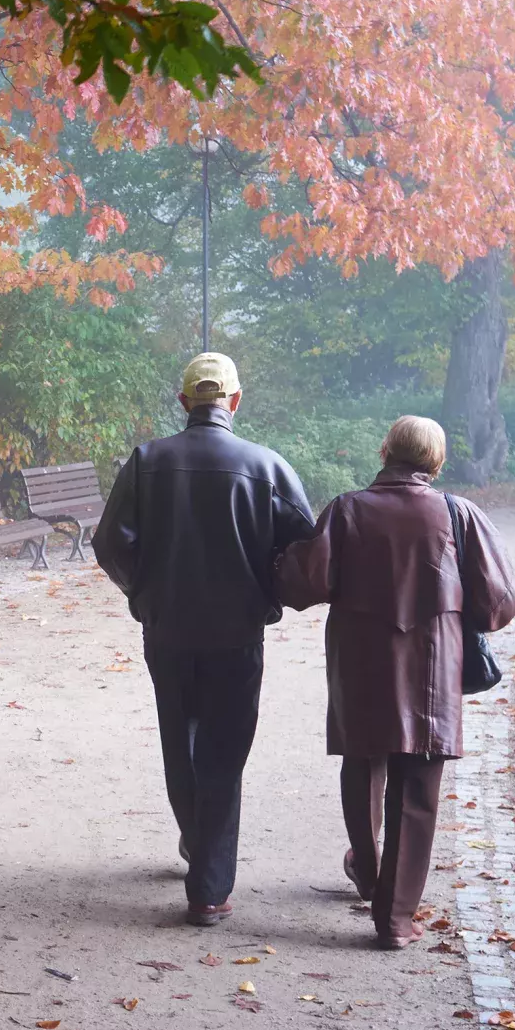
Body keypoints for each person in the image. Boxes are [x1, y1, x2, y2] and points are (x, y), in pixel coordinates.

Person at [275, 415, 515, 949]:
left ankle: (366, 871)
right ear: (436, 463)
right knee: (417, 786)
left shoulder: (347, 510)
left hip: (360, 663)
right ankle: (395, 920)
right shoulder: (459, 514)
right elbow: (501, 602)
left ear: (385, 451)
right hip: (432, 670)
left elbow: (304, 583)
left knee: (362, 763)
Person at [93, 352, 316, 926]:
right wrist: (269, 591)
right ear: (235, 402)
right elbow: (308, 548)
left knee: (179, 740)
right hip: (237, 634)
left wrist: (141, 591)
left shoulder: (147, 462)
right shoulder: (265, 467)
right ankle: (209, 889)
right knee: (223, 751)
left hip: (167, 627)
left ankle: (197, 844)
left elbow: (109, 543)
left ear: (184, 400)